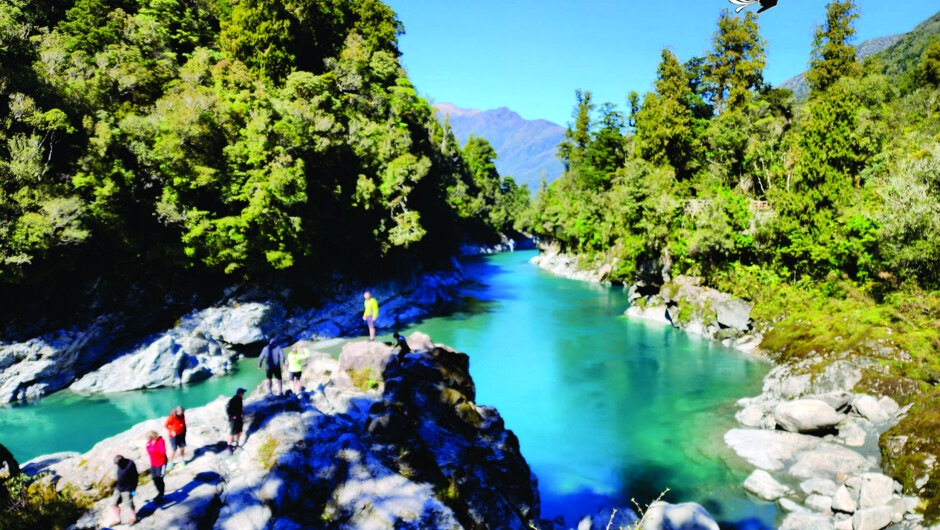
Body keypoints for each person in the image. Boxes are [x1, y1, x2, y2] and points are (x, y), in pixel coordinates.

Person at [109, 455, 138, 525]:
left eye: (118, 464)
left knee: (129, 504)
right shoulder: (119, 464)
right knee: (114, 504)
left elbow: (135, 477)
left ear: (122, 461)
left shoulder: (130, 464)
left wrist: (133, 490)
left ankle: (133, 518)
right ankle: (118, 520)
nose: (117, 465)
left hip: (127, 489)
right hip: (119, 487)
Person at [145, 431, 167, 504]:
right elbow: (149, 450)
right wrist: (150, 446)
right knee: (154, 479)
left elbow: (163, 452)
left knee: (159, 479)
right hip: (153, 463)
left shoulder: (160, 441)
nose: (149, 439)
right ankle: (159, 493)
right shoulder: (150, 442)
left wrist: (154, 447)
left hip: (161, 463)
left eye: (150, 438)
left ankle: (161, 494)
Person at [226, 388, 246, 454]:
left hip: (239, 417)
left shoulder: (240, 399)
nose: (244, 393)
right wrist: (232, 416)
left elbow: (240, 408)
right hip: (233, 419)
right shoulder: (234, 399)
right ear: (240, 393)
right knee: (232, 433)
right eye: (243, 392)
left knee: (239, 431)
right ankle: (228, 447)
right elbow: (228, 408)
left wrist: (241, 413)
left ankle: (237, 444)